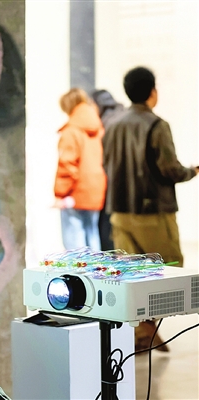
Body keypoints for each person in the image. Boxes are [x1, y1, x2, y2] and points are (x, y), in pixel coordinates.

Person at [103, 66, 199, 351]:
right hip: (152, 211)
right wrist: (192, 171)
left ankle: (141, 332)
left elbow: (107, 164)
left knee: (130, 275)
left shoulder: (113, 125)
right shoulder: (157, 125)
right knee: (169, 268)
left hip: (119, 210)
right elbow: (169, 169)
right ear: (152, 92)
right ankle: (146, 328)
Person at [54, 88, 107, 251]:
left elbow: (67, 164)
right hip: (96, 190)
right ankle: (96, 268)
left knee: (74, 240)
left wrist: (60, 194)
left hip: (75, 193)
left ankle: (77, 268)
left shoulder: (71, 131)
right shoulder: (99, 129)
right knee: (92, 234)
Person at [91, 89, 125, 250]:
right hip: (128, 182)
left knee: (106, 225)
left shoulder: (104, 122)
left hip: (110, 180)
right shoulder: (123, 115)